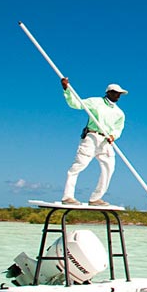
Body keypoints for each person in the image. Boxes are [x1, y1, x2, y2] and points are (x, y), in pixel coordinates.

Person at [60, 78, 127, 206]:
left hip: (106, 141)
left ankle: (96, 198)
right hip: (91, 136)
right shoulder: (95, 102)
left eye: (119, 93)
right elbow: (75, 104)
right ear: (108, 92)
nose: (117, 95)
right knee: (79, 165)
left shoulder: (120, 113)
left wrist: (113, 136)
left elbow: (118, 129)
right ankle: (67, 197)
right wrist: (66, 89)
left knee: (109, 167)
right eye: (115, 92)